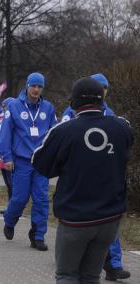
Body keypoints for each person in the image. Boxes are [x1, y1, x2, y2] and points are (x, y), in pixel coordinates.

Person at [32, 77, 133, 283]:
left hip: (76, 218)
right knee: (91, 276)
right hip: (109, 218)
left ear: (74, 103)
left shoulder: (63, 131)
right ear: (101, 100)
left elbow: (40, 164)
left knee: (67, 275)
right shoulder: (122, 127)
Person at [60, 73, 131, 281]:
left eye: (106, 87)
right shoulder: (72, 112)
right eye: (100, 86)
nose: (103, 90)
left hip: (106, 180)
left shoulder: (110, 114)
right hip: (80, 180)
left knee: (108, 221)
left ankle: (114, 265)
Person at [0, 72, 57, 251]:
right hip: (22, 161)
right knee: (20, 198)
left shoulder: (48, 108)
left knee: (41, 199)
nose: (36, 90)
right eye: (34, 86)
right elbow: (5, 133)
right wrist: (6, 157)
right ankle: (10, 220)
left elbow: (54, 133)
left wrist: (55, 155)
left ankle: (38, 235)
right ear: (27, 86)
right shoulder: (15, 106)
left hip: (41, 161)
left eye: (40, 87)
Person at [0, 97, 15, 214]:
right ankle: (9, 204)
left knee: (12, 183)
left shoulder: (13, 121)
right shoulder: (2, 120)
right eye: (3, 107)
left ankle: (13, 207)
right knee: (8, 183)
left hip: (10, 157)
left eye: (6, 106)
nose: (4, 109)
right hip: (2, 157)